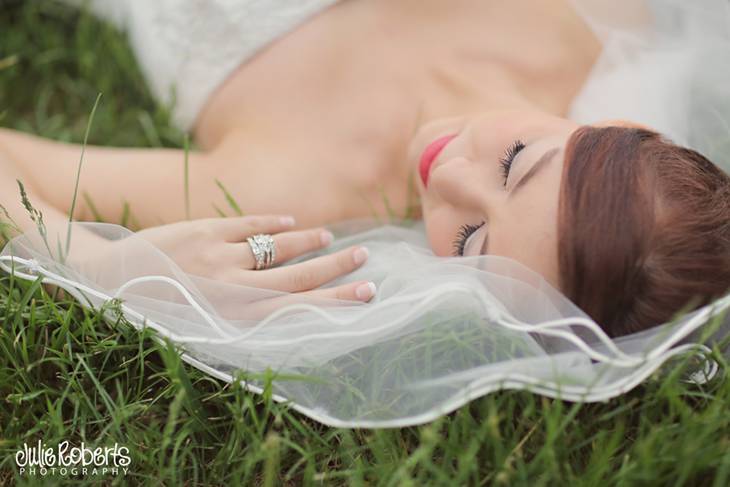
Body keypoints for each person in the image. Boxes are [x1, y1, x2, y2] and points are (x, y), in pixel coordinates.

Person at [1, 0, 729, 339]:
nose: (447, 176)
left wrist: (96, 260)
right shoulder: (600, 15)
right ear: (625, 126)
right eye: (515, 162)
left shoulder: (292, 189)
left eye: (471, 238)